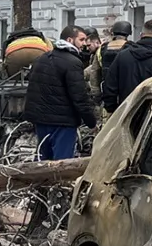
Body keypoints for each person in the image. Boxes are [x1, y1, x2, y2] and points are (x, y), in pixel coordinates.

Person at [23, 28, 98, 160]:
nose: (85, 44)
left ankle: (41, 181)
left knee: (42, 161)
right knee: (62, 164)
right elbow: (79, 96)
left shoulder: (41, 59)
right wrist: (91, 121)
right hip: (63, 122)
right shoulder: (73, 63)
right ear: (70, 40)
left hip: (41, 120)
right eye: (81, 39)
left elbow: (33, 88)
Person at [101, 19, 152, 113]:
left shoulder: (122, 55)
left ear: (141, 35)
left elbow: (110, 84)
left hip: (126, 112)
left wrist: (112, 109)